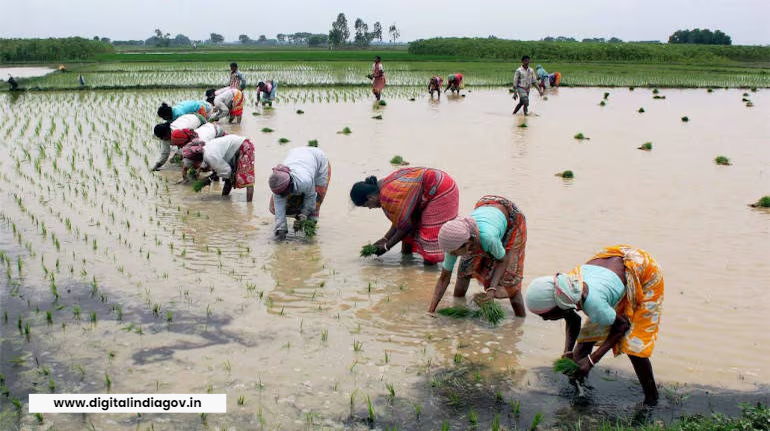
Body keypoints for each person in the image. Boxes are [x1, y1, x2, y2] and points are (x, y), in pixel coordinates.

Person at [525, 245, 664, 406]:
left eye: (545, 315)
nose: (545, 320)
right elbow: (574, 320)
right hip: (612, 263)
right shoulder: (566, 289)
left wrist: (592, 360)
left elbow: (622, 326)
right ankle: (578, 390)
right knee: (586, 339)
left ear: (558, 306)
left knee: (634, 346)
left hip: (645, 271)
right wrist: (568, 352)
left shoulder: (591, 302)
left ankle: (651, 399)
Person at [429, 195, 527, 317]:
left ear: (467, 244)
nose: (452, 255)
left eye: (454, 253)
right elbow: (444, 278)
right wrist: (431, 310)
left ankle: (520, 321)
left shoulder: (487, 238)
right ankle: (459, 305)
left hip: (511, 218)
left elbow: (503, 260)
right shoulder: (452, 243)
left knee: (510, 282)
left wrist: (492, 289)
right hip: (485, 206)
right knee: (463, 273)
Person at [350, 168, 459, 265]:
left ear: (370, 198)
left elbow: (406, 226)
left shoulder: (386, 195)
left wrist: (386, 247)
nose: (370, 208)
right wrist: (385, 239)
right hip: (437, 183)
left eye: (367, 205)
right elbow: (401, 219)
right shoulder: (384, 185)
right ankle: (407, 263)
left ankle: (430, 272)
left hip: (441, 190)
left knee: (429, 238)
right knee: (407, 232)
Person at [268, 147, 331, 240]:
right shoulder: (277, 181)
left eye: (284, 193)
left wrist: (304, 215)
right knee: (273, 207)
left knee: (317, 199)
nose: (282, 196)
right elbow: (279, 209)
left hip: (319, 161)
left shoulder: (305, 181)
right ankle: (298, 219)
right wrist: (280, 229)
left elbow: (311, 198)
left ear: (290, 185)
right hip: (297, 154)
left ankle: (310, 231)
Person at [182, 135, 255, 202]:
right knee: (229, 178)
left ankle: (249, 206)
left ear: (197, 160)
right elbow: (223, 172)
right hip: (232, 150)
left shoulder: (210, 156)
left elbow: (227, 171)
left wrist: (209, 179)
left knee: (245, 178)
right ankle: (225, 199)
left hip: (244, 146)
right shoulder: (204, 152)